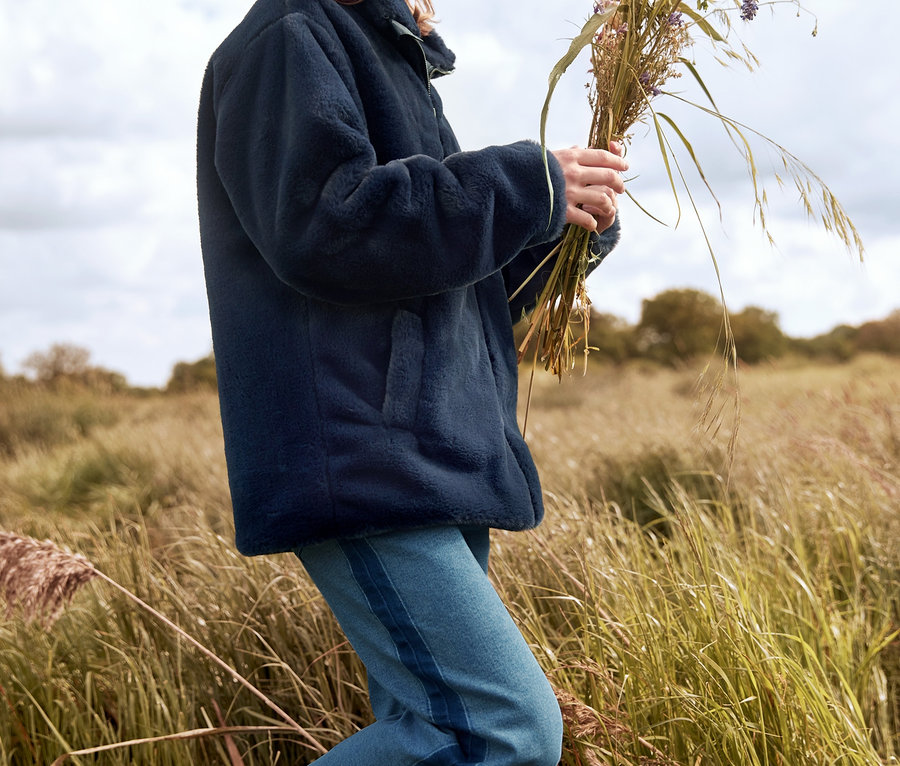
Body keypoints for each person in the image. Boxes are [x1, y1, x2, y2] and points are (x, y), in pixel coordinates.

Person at [196, 0, 627, 763]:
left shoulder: (392, 56)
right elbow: (328, 228)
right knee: (500, 731)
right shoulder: (290, 36)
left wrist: (557, 228)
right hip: (363, 451)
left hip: (428, 447)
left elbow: (451, 293)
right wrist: (525, 184)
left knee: (431, 730)